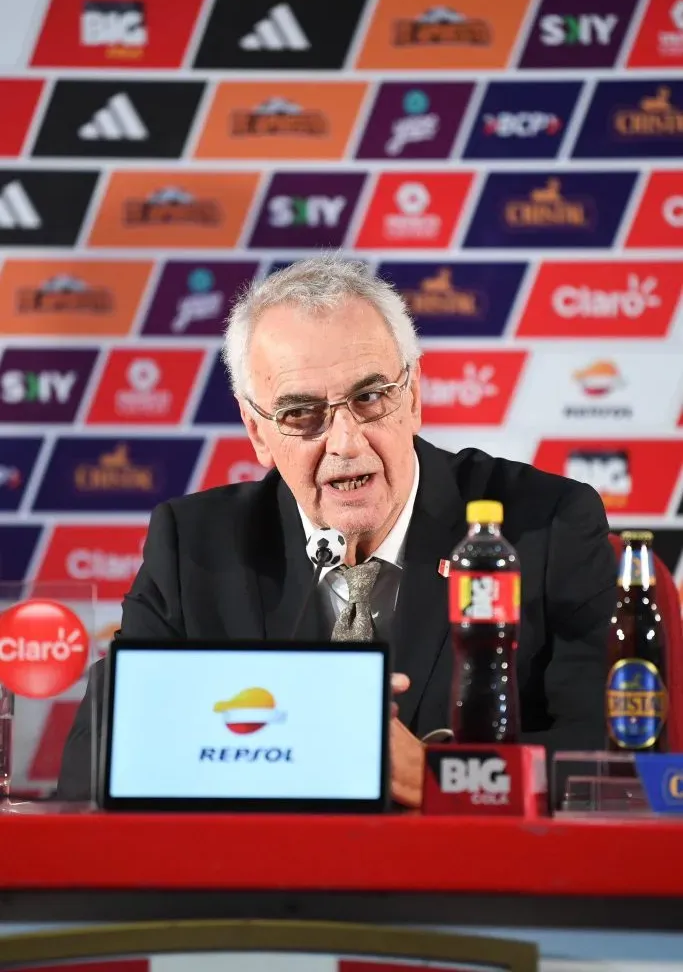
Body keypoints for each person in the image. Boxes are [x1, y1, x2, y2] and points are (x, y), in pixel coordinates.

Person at [58, 256, 617, 805]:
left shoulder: (545, 524)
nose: (346, 443)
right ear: (257, 432)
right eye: (301, 414)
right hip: (263, 890)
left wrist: (435, 779)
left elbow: (609, 760)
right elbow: (94, 769)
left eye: (370, 398)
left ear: (414, 396)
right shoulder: (195, 544)